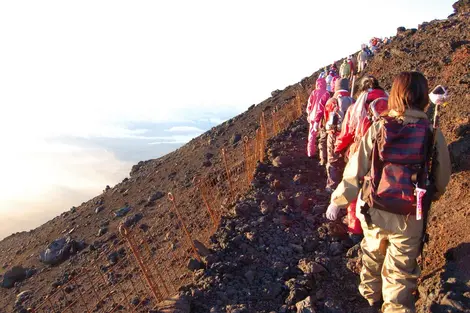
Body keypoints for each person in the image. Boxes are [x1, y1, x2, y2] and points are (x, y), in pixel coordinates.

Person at [326, 72, 451, 313]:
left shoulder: (379, 127)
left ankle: (370, 301)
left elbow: (356, 169)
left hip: (374, 208)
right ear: (424, 97)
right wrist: (430, 197)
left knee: (372, 256)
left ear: (394, 95)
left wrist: (338, 201)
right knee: (400, 273)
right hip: (410, 213)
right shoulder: (431, 132)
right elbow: (442, 176)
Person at [334, 75, 389, 244]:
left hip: (360, 153)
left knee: (354, 188)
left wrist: (338, 148)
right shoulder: (391, 104)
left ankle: (355, 230)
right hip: (386, 155)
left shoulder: (356, 107)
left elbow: (347, 132)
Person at [324, 78, 354, 193]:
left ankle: (332, 186)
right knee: (348, 159)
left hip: (334, 134)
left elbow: (326, 119)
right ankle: (347, 185)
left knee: (332, 160)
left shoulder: (331, 101)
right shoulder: (353, 100)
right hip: (349, 135)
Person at [306, 78, 330, 160]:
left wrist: (309, 114)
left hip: (312, 116)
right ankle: (322, 155)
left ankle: (310, 153)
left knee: (312, 135)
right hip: (322, 117)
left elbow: (309, 105)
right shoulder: (327, 93)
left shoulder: (314, 92)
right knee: (323, 135)